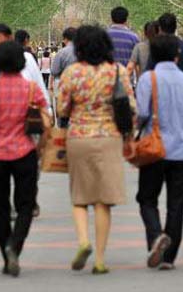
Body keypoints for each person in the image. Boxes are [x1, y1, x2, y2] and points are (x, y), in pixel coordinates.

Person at [57, 25, 135, 274]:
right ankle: (100, 260)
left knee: (80, 196)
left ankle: (83, 241)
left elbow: (62, 108)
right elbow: (130, 106)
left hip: (79, 137)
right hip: (109, 138)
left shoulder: (72, 73)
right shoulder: (117, 72)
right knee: (104, 201)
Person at [0, 41, 51, 277]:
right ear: (22, 61)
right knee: (26, 205)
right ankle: (14, 246)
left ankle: (6, 256)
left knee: (1, 208)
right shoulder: (31, 89)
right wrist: (44, 146)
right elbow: (47, 121)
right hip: (25, 152)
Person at [136, 34, 183, 270]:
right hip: (182, 151)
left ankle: (156, 236)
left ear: (153, 55)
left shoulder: (147, 80)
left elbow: (142, 114)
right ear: (178, 54)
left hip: (154, 149)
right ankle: (169, 257)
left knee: (146, 198)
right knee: (177, 203)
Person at [147, 13, 183, 80]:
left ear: (159, 28)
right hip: (182, 88)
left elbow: (149, 71)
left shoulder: (157, 47)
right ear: (175, 27)